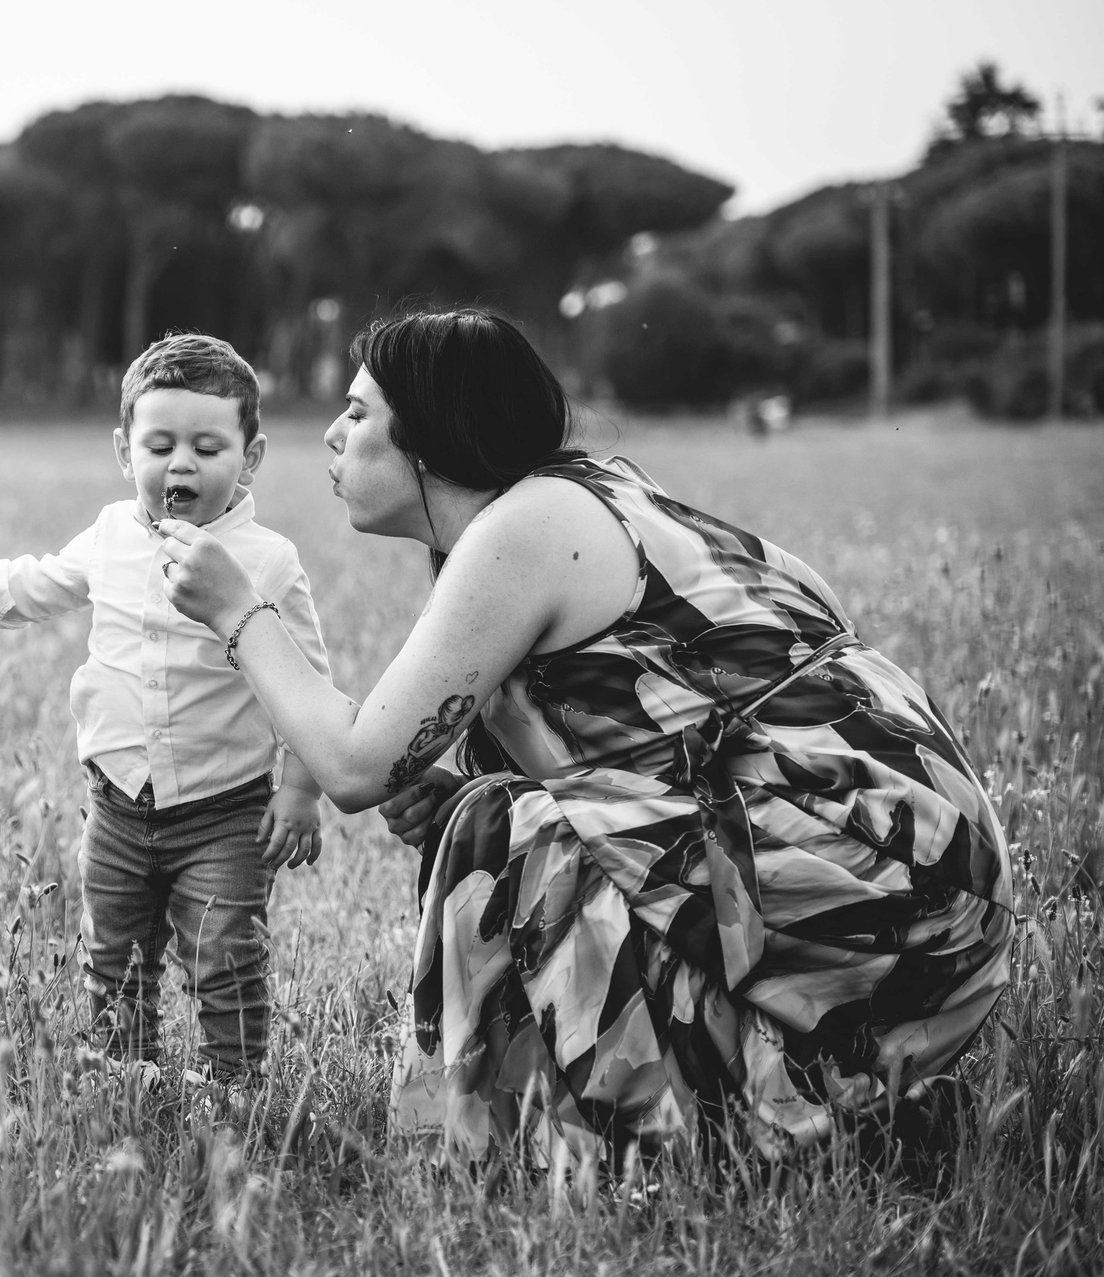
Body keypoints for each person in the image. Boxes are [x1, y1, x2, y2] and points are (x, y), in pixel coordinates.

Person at [155, 309, 1012, 1160]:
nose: (333, 437)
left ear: (430, 433)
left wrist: (240, 614)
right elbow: (667, 750)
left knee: (502, 830)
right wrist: (473, 797)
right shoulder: (581, 500)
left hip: (879, 879)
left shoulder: (527, 527)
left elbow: (352, 765)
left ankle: (699, 1138)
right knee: (495, 819)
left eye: (358, 412)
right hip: (923, 880)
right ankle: (833, 1106)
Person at [0, 334, 332, 1081]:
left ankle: (235, 1084)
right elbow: (26, 585)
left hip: (224, 809)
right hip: (116, 803)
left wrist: (302, 790)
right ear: (125, 451)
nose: (180, 464)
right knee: (111, 951)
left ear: (251, 457)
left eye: (208, 447)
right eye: (160, 444)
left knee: (223, 954)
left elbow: (305, 682)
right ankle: (124, 1073)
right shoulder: (111, 534)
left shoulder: (268, 559)